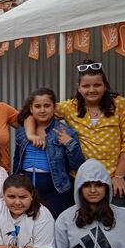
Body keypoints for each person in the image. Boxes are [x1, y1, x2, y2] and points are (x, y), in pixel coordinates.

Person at [26, 61, 125, 211]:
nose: (91, 90)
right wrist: (31, 134)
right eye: (86, 86)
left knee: (119, 220)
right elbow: (33, 113)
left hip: (113, 175)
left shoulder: (120, 104)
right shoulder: (70, 107)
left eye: (97, 85)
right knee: (82, 221)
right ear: (79, 87)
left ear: (105, 85)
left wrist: (119, 176)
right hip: (81, 176)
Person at [14, 88, 85, 218]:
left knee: (54, 227)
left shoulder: (64, 131)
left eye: (47, 106)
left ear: (54, 108)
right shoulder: (23, 130)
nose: (42, 110)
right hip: (26, 188)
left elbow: (78, 165)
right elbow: (17, 158)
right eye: (37, 106)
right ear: (31, 108)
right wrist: (14, 179)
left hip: (56, 189)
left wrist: (69, 143)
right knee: (27, 226)